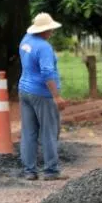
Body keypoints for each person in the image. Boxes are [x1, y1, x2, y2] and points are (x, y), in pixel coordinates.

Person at [18, 13, 65, 181]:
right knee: (49, 131)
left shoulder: (26, 40)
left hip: (24, 90)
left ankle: (29, 170)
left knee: (29, 132)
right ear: (44, 30)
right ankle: (51, 170)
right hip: (42, 94)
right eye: (50, 29)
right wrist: (56, 96)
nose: (51, 32)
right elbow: (47, 72)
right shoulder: (44, 47)